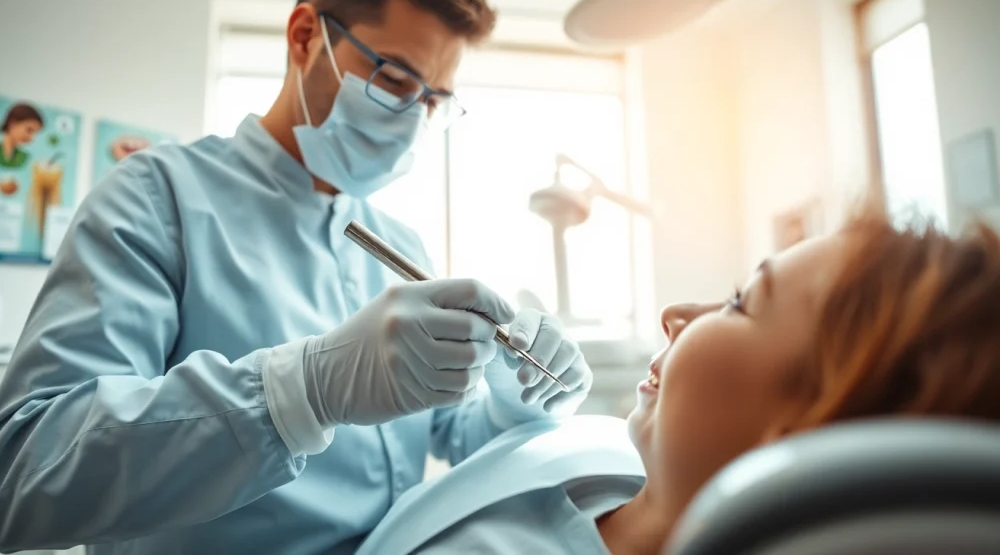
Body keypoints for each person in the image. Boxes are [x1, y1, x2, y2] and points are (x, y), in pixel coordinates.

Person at [0, 0, 593, 554]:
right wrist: (301, 393)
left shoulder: (398, 243)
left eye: (434, 100)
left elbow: (450, 436)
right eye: (396, 81)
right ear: (305, 37)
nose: (412, 120)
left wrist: (510, 405)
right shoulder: (157, 199)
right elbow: (15, 481)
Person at [356, 203, 1000, 554]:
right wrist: (509, 417)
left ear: (807, 435)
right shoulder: (615, 450)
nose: (675, 315)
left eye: (741, 302)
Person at [0, 103, 43, 169]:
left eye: (35, 133)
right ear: (12, 123)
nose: (31, 138)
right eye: (29, 130)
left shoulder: (24, 157)